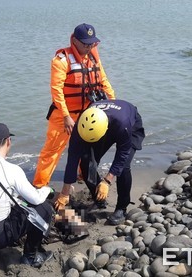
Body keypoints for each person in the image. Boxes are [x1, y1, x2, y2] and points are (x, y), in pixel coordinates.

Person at [33, 23, 116, 188]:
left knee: (86, 148)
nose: (88, 46)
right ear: (75, 41)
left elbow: (103, 81)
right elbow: (56, 91)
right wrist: (66, 116)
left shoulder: (93, 57)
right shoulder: (61, 61)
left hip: (87, 114)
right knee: (51, 151)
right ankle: (39, 184)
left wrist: (114, 105)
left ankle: (81, 173)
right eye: (85, 43)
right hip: (63, 115)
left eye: (91, 43)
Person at [0, 123, 55, 268]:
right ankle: (31, 257)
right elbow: (36, 198)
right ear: (8, 141)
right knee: (44, 208)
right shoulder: (13, 170)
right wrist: (47, 189)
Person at [53, 99, 145, 226]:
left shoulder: (123, 123)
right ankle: (99, 198)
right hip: (95, 126)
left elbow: (122, 154)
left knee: (123, 167)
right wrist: (65, 192)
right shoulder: (80, 125)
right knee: (86, 162)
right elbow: (73, 158)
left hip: (128, 124)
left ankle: (121, 208)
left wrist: (107, 181)